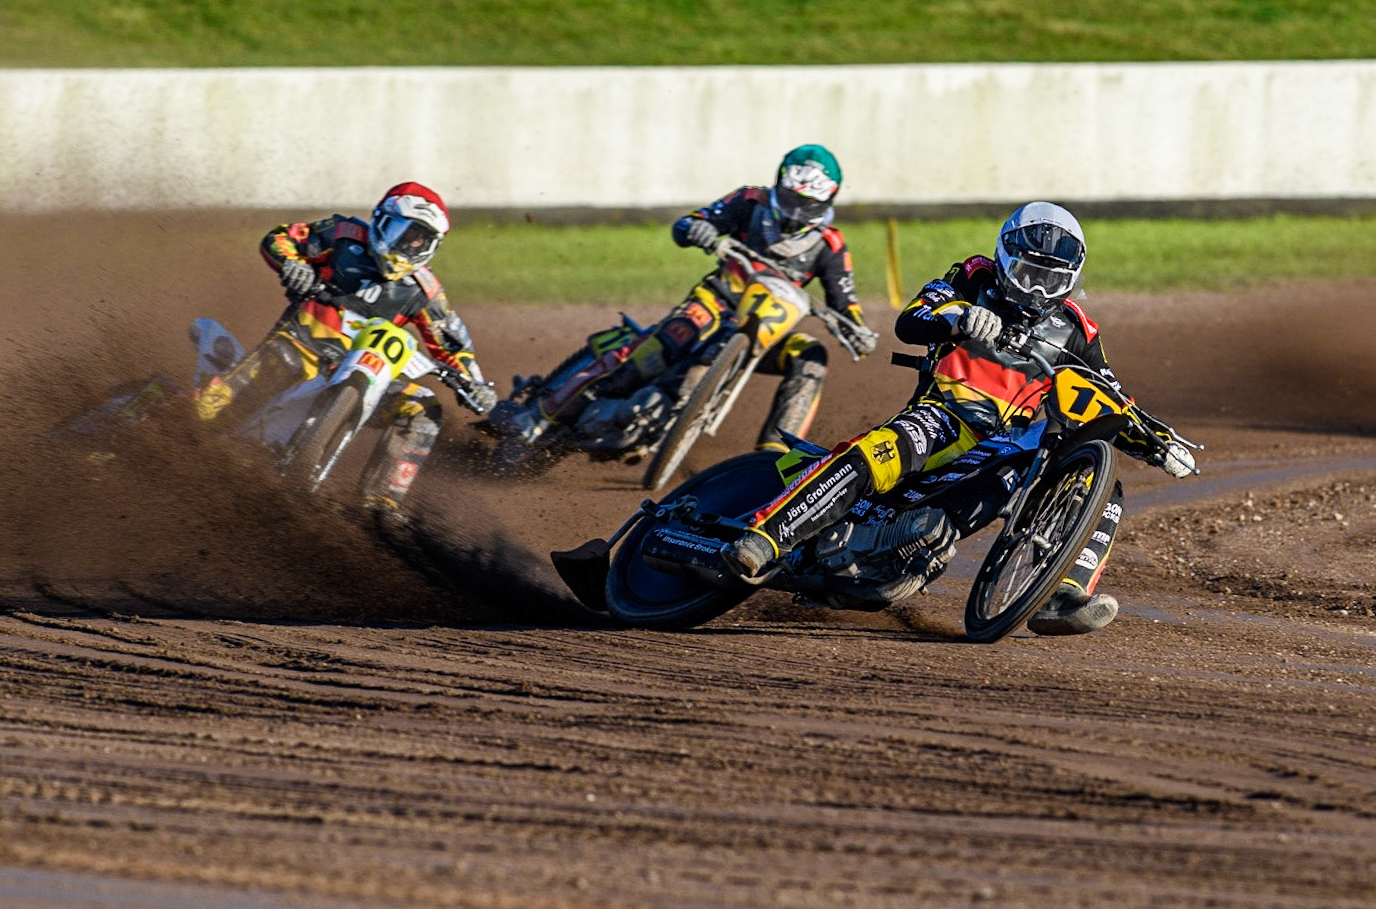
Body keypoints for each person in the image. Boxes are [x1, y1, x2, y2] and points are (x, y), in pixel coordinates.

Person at [721, 201, 1196, 635]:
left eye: (1049, 279)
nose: (1035, 289)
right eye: (1028, 272)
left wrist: (1157, 438)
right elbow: (914, 316)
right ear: (1005, 259)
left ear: (1071, 279)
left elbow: (1109, 392)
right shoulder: (975, 276)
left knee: (1102, 485)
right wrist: (961, 316)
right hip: (947, 413)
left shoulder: (1078, 328)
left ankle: (1062, 592)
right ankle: (767, 535)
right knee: (878, 452)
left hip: (1016, 443)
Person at [506, 144, 877, 451]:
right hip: (713, 304)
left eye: (807, 203)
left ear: (827, 198)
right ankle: (540, 417)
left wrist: (858, 330)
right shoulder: (749, 201)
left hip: (769, 330)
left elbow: (846, 302)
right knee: (647, 358)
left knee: (811, 355)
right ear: (779, 184)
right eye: (791, 198)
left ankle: (774, 455)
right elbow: (689, 223)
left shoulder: (831, 245)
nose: (796, 211)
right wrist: (697, 228)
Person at [195, 181, 496, 516]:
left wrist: (475, 384)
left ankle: (380, 505)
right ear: (381, 219)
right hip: (299, 350)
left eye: (421, 240)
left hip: (367, 368)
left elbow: (453, 345)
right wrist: (292, 264)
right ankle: (149, 416)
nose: (409, 245)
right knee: (206, 413)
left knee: (421, 407)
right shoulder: (343, 234)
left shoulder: (425, 289)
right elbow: (280, 238)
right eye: (404, 232)